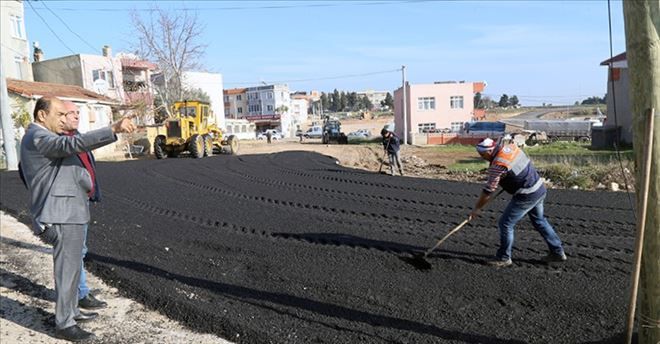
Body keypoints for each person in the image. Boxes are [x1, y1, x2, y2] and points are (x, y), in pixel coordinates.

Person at [20, 96, 135, 341]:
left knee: (72, 268)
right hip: (60, 214)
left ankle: (72, 311)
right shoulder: (39, 137)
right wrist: (113, 129)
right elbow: (69, 147)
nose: (65, 119)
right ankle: (64, 324)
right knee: (66, 269)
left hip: (68, 211)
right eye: (60, 114)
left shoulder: (45, 136)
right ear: (42, 115)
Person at [468, 137, 566, 267]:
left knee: (505, 224)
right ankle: (558, 252)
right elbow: (518, 167)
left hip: (527, 194)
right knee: (539, 220)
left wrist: (477, 208)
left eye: (482, 154)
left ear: (490, 151)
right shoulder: (511, 148)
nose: (482, 157)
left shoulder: (498, 165)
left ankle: (503, 258)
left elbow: (488, 190)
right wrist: (507, 179)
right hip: (539, 187)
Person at [61, 101, 108, 311]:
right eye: (71, 113)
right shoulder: (57, 142)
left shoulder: (77, 137)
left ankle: (80, 291)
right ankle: (79, 296)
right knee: (73, 251)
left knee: (79, 250)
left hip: (82, 202)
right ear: (59, 116)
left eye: (78, 112)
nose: (76, 116)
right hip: (68, 206)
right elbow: (26, 170)